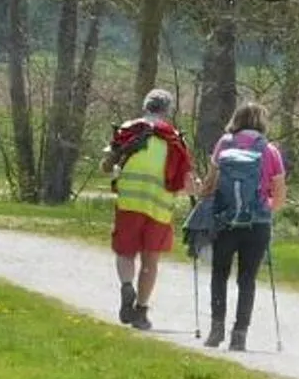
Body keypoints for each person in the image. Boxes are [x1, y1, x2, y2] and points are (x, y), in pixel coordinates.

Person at [103, 88, 195, 330]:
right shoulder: (175, 139)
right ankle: (141, 312)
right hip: (160, 208)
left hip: (129, 204)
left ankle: (126, 286)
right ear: (168, 111)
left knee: (125, 252)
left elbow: (106, 164)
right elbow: (187, 183)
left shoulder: (128, 130)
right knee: (150, 261)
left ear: (146, 107)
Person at [201, 101, 286, 351]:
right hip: (257, 223)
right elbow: (280, 196)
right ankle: (240, 334)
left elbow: (210, 184)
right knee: (247, 278)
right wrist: (265, 208)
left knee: (219, 273)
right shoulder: (270, 151)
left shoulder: (224, 144)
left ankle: (216, 329)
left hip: (225, 220)